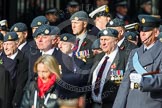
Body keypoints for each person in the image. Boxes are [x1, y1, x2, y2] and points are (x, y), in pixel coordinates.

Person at [113, 15, 162, 108]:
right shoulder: (134, 53)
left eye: (147, 31)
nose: (142, 34)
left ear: (156, 33)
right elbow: (125, 84)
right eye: (141, 30)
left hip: (151, 103)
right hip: (132, 103)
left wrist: (144, 81)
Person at [86, 28, 128, 108]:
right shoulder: (98, 57)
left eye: (106, 40)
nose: (103, 43)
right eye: (101, 39)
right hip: (93, 104)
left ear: (116, 41)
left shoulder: (124, 58)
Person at [3, 32, 28, 108]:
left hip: (13, 101)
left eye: (9, 44)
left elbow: (20, 85)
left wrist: (14, 103)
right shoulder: (2, 59)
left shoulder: (23, 60)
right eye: (4, 44)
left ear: (17, 44)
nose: (6, 47)